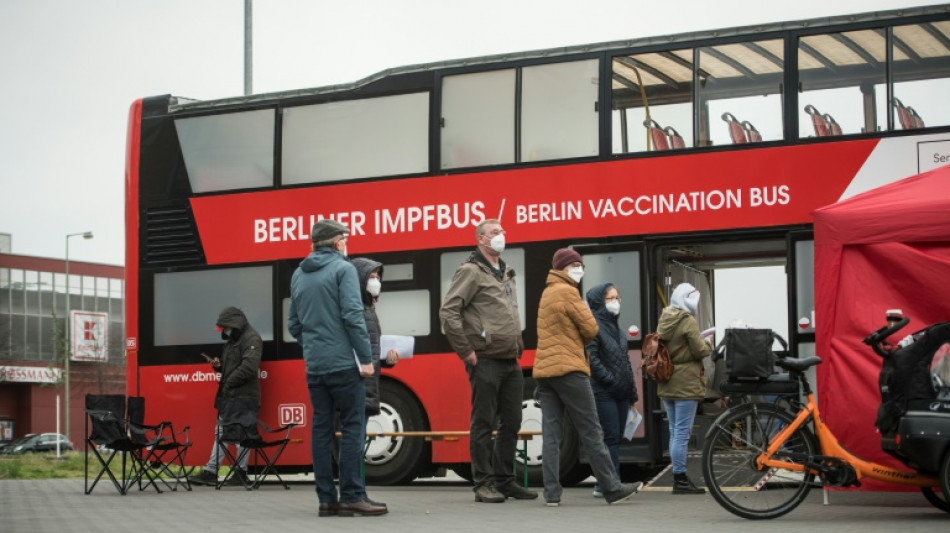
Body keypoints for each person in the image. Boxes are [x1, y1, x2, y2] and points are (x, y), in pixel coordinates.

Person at [288, 219, 387, 517]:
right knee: (353, 426)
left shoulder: (298, 274)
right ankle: (353, 496)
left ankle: (326, 500)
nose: (346, 243)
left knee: (321, 430)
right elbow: (353, 316)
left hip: (315, 366)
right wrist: (365, 358)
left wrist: (315, 346)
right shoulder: (343, 270)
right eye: (345, 238)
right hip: (344, 365)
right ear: (336, 242)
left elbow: (294, 324)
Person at [533, 248, 642, 507]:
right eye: (574, 265)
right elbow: (591, 328)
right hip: (569, 369)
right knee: (592, 430)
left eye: (580, 265)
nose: (579, 269)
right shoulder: (568, 292)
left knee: (551, 433)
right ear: (562, 268)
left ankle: (551, 494)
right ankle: (612, 488)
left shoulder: (547, 293)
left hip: (545, 371)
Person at [439, 219, 537, 503]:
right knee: (483, 422)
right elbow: (449, 312)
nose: (501, 236)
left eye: (502, 231)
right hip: (485, 359)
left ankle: (505, 481)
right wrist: (466, 351)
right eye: (494, 232)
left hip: (510, 359)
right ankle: (483, 483)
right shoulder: (470, 271)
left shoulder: (506, 271)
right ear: (481, 239)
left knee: (513, 421)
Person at [187, 306, 262, 487]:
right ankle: (222, 471)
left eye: (226, 328)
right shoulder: (234, 340)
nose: (225, 332)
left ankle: (222, 472)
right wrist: (219, 366)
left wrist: (228, 382)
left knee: (239, 433)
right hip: (231, 396)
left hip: (242, 396)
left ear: (234, 324)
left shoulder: (251, 338)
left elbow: (249, 367)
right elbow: (236, 366)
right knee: (223, 431)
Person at [656, 282, 712, 495]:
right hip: (686, 383)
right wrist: (708, 342)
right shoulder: (687, 320)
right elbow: (700, 351)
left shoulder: (665, 318)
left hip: (668, 380)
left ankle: (678, 475)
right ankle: (680, 479)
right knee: (682, 433)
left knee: (674, 431)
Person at [585, 282, 637, 498]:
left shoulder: (617, 328)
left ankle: (605, 482)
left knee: (615, 437)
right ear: (600, 302)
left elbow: (625, 361)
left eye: (617, 298)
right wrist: (610, 380)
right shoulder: (593, 327)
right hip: (604, 392)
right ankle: (610, 483)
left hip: (621, 392)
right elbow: (592, 359)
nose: (616, 302)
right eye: (611, 298)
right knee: (610, 438)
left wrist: (632, 392)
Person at [351, 257, 400, 422]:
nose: (376, 282)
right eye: (371, 277)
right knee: (355, 432)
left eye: (378, 277)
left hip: (367, 386)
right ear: (360, 280)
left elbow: (371, 346)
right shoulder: (356, 309)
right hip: (358, 386)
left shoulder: (369, 308)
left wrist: (387, 359)